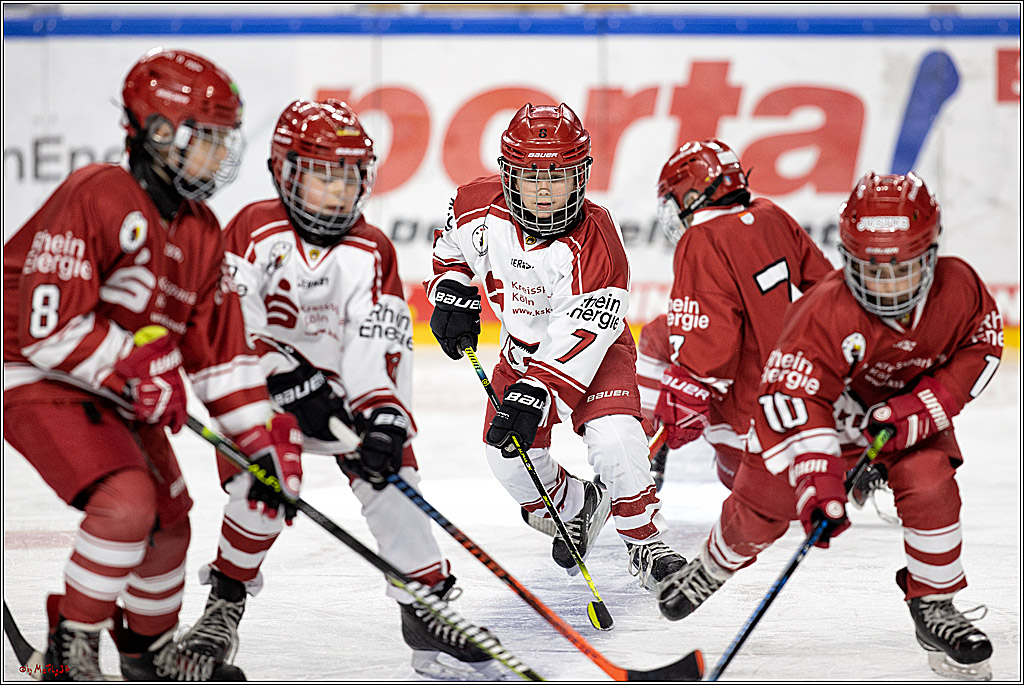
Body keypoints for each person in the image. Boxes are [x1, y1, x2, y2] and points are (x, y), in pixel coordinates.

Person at [2, 48, 304, 681]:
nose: (220, 154)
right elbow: (45, 326)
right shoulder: (100, 192)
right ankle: (70, 649)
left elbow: (219, 356)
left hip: (113, 385)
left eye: (225, 138)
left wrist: (262, 442)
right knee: (128, 500)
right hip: (31, 371)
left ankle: (147, 652)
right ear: (160, 131)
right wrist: (136, 367)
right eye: (208, 137)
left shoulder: (200, 229)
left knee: (170, 524)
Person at [178, 99, 503, 681]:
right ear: (284, 172)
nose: (337, 190)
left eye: (349, 175)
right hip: (259, 391)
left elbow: (376, 340)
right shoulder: (251, 229)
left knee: (395, 479)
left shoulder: (371, 247)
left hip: (340, 393)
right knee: (265, 487)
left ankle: (424, 611)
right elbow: (228, 325)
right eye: (323, 174)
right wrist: (283, 377)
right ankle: (224, 603)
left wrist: (382, 418)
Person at [657, 171, 1003, 681]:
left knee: (931, 483)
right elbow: (796, 400)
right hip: (825, 416)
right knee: (763, 508)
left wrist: (928, 405)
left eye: (902, 269)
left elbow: (984, 344)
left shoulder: (961, 287)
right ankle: (714, 563)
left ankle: (934, 605)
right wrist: (820, 482)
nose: (887, 287)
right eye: (871, 269)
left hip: (904, 416)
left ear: (932, 255)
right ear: (848, 258)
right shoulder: (823, 312)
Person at [425, 102, 687, 594]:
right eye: (531, 175)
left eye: (558, 176)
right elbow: (450, 249)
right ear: (508, 175)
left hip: (597, 352)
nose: (544, 189)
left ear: (581, 177)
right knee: (506, 456)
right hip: (520, 349)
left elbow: (585, 330)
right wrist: (451, 289)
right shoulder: (471, 205)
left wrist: (538, 389)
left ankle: (648, 543)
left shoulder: (598, 237)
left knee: (614, 437)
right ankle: (576, 507)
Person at [635, 139, 834, 491]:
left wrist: (686, 391)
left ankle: (642, 457)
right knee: (659, 332)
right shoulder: (772, 213)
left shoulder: (701, 239)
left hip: (750, 433)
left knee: (654, 339)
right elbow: (828, 292)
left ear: (692, 197)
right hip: (812, 404)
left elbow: (707, 342)